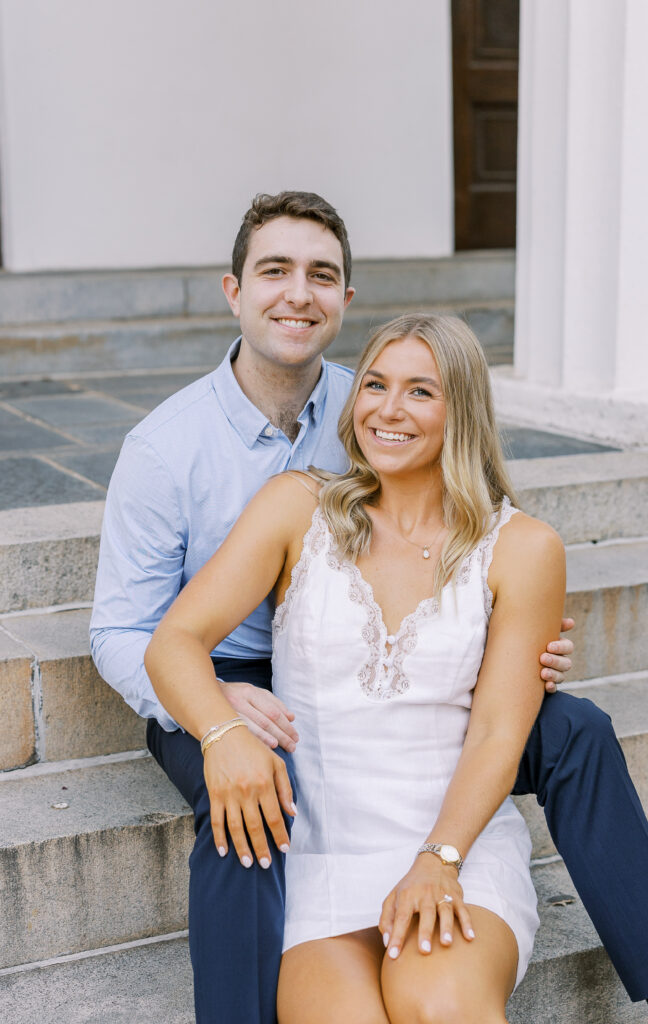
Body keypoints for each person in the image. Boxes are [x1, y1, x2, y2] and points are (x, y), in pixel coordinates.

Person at [90, 191, 648, 1024]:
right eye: (275, 272)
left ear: (344, 301)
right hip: (239, 686)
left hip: (416, 752)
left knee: (573, 728)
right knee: (253, 794)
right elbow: (136, 632)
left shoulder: (360, 402)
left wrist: (504, 648)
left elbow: (469, 544)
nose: (298, 294)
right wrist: (217, 721)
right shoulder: (172, 450)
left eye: (320, 276)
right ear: (233, 290)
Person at [144, 313, 567, 1023]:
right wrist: (222, 734)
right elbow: (174, 640)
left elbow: (498, 730)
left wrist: (440, 858)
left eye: (419, 392)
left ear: (460, 409)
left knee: (439, 1007)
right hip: (321, 855)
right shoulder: (294, 507)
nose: (387, 409)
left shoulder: (524, 548)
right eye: (374, 384)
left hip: (454, 842)